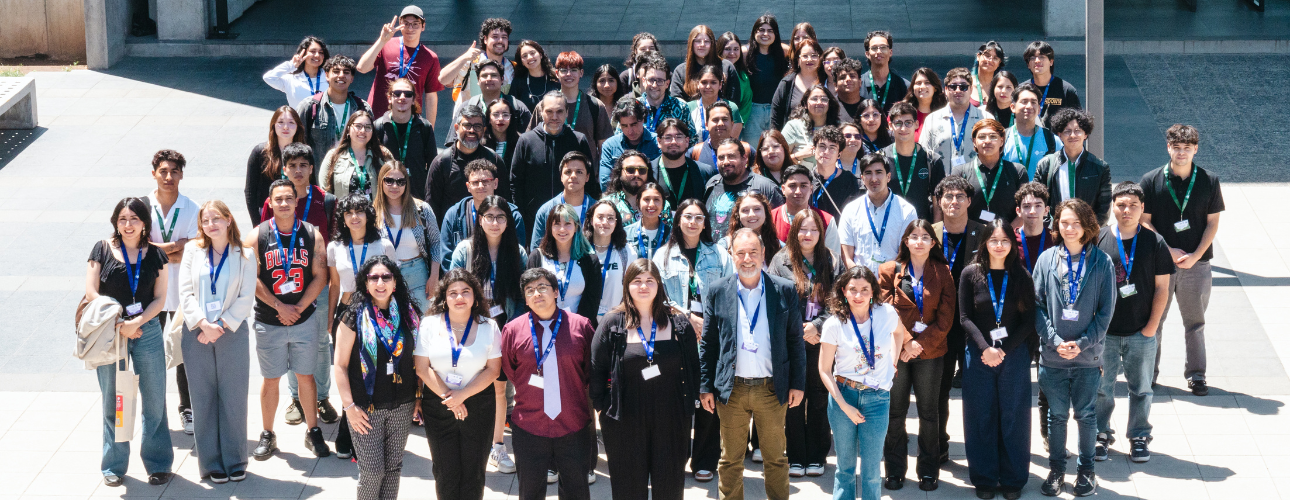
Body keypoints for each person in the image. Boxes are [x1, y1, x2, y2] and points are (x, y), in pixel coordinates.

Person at [698, 228, 807, 500]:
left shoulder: (783, 289)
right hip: (731, 390)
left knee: (776, 459)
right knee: (730, 461)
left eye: (753, 252)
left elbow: (795, 340)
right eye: (741, 253)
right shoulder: (717, 291)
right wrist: (705, 386)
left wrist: (797, 384)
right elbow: (709, 343)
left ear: (763, 254)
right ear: (732, 256)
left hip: (771, 390)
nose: (747, 259)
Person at [591, 259, 702, 500]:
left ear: (659, 285)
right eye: (637, 281)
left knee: (670, 487)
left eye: (650, 281)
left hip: (671, 418)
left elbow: (694, 367)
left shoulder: (679, 322)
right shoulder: (613, 322)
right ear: (627, 286)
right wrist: (603, 408)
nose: (643, 286)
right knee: (628, 488)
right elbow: (596, 368)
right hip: (625, 420)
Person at [86, 197, 175, 487]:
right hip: (111, 332)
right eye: (122, 219)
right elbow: (91, 292)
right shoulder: (102, 249)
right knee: (115, 399)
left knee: (154, 399)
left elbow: (160, 298)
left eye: (134, 219)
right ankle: (113, 465)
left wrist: (137, 322)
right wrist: (119, 322)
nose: (127, 225)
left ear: (144, 223)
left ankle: (158, 463)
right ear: (115, 221)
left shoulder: (155, 255)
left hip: (146, 330)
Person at [1034, 199, 1116, 498]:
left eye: (1075, 223)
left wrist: (1080, 344)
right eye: (1063, 222)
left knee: (1086, 415)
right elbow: (1037, 306)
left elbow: (1106, 313)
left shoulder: (1101, 262)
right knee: (1056, 416)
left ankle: (1086, 471)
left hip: (1087, 357)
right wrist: (1056, 341)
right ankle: (1057, 470)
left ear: (1087, 226)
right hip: (1053, 357)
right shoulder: (1046, 260)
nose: (1069, 228)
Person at [248, 180, 331, 460]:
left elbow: (322, 276)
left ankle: (313, 431)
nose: (284, 203)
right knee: (270, 378)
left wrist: (298, 307)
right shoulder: (256, 236)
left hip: (304, 319)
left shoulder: (312, 234)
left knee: (306, 377)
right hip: (268, 320)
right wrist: (278, 306)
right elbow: (251, 277)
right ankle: (268, 433)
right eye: (278, 199)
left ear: (297, 202)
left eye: (288, 199)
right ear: (269, 203)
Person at [260, 144, 341, 429]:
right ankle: (295, 398)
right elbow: (263, 238)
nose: (297, 170)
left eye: (303, 165)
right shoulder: (275, 200)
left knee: (319, 344)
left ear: (311, 169)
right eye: (292, 165)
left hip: (315, 286)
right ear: (284, 169)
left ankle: (321, 397)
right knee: (291, 342)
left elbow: (333, 243)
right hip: (283, 288)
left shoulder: (326, 200)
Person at [652, 200, 733, 481]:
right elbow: (656, 298)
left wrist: (707, 323)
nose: (693, 222)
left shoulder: (720, 254)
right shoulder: (662, 256)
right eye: (687, 217)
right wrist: (688, 318)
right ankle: (675, 457)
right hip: (675, 335)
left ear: (706, 222)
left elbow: (729, 292)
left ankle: (704, 461)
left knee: (708, 397)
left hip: (711, 336)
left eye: (699, 217)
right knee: (677, 399)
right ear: (678, 220)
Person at [1139, 124, 1223, 395]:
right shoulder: (1151, 180)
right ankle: (1148, 373)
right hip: (1161, 265)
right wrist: (1168, 250)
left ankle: (1197, 375)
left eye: (1187, 148)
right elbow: (1145, 221)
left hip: (1196, 265)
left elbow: (1213, 224)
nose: (1182, 152)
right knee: (1154, 320)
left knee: (1195, 323)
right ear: (1168, 148)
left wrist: (1196, 255)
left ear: (1196, 149)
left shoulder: (1209, 181)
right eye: (1177, 147)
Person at [176, 200, 256, 484]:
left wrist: (219, 325)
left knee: (233, 397)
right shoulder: (192, 251)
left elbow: (247, 297)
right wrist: (202, 323)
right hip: (196, 330)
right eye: (206, 220)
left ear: (228, 220)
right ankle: (211, 463)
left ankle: (235, 459)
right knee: (202, 397)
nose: (211, 225)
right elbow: (184, 292)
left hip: (230, 331)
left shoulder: (245, 254)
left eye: (216, 219)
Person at [500, 268, 597, 500]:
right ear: (525, 298)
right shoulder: (512, 330)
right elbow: (511, 371)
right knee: (530, 492)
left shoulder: (581, 326)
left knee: (577, 491)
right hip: (530, 426)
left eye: (542, 287)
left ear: (556, 292)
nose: (536, 294)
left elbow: (589, 371)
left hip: (573, 424)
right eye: (530, 290)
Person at [448, 195, 529, 474]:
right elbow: (455, 290)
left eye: (501, 217)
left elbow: (521, 296)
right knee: (468, 385)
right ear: (479, 220)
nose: (495, 223)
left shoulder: (517, 252)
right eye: (489, 217)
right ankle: (467, 444)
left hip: (504, 326)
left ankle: (497, 447)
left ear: (508, 222)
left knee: (499, 389)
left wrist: (512, 329)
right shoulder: (465, 250)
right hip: (472, 325)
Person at [1095, 182, 1174, 464]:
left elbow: (1163, 288)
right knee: (1101, 388)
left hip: (1142, 332)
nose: (1126, 210)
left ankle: (1139, 436)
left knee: (1141, 388)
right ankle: (1100, 434)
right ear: (1113, 207)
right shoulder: (1099, 238)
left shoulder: (1155, 242)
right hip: (1105, 333)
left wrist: (1151, 327)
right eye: (1121, 205)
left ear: (1142, 209)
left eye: (1133, 205)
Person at [959, 218, 1037, 500]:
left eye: (1005, 241)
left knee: (1014, 416)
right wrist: (985, 348)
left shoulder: (1021, 276)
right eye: (994, 241)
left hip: (1013, 355)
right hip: (978, 355)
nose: (999, 246)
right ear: (985, 243)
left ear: (1011, 245)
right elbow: (965, 317)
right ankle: (985, 478)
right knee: (980, 415)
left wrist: (1003, 350)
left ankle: (1013, 479)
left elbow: (1029, 320)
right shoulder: (971, 274)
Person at [334, 255, 421, 500]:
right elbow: (339, 366)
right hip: (365, 408)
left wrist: (418, 397)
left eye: (386, 277)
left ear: (395, 282)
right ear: (365, 283)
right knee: (372, 472)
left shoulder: (408, 314)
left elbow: (418, 360)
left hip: (402, 404)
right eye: (374, 277)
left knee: (393, 469)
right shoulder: (352, 317)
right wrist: (349, 407)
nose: (380, 282)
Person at [878, 220, 955, 492]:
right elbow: (886, 312)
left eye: (925, 237)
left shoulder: (943, 272)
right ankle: (895, 471)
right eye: (914, 236)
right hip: (897, 351)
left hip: (931, 352)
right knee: (895, 413)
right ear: (906, 242)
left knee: (929, 414)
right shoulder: (889, 271)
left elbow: (946, 319)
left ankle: (928, 471)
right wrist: (907, 343)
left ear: (933, 243)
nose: (920, 241)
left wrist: (919, 345)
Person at [415, 269, 504, 500]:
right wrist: (450, 398)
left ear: (475, 296)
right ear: (444, 298)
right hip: (439, 403)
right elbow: (422, 368)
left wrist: (462, 395)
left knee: (474, 472)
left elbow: (493, 370)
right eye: (453, 293)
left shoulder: (489, 326)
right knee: (445, 471)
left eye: (465, 291)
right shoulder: (429, 324)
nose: (459, 297)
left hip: (479, 405)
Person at [819, 265, 904, 500]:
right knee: (845, 468)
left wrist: (894, 361)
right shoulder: (834, 323)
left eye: (864, 290)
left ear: (873, 291)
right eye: (853, 290)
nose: (858, 296)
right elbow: (824, 370)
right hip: (844, 395)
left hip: (877, 398)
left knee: (872, 470)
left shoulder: (886, 313)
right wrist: (845, 407)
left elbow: (899, 333)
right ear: (844, 291)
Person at [769, 209, 841, 478]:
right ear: (793, 231)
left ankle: (817, 455)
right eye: (802, 229)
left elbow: (840, 299)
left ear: (821, 233)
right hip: (792, 342)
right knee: (793, 398)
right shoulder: (780, 261)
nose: (807, 235)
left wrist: (818, 326)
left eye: (813, 229)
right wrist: (799, 330)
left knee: (820, 398)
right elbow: (774, 302)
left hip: (823, 340)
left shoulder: (831, 261)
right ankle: (796, 456)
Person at [325, 194, 396, 458]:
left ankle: (365, 431)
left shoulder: (383, 245)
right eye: (348, 213)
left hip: (376, 312)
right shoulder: (335, 248)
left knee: (371, 372)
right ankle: (348, 431)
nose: (354, 217)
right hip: (346, 314)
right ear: (342, 218)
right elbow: (334, 286)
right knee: (347, 371)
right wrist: (330, 319)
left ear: (368, 215)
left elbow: (391, 284)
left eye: (359, 211)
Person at [145, 150, 200, 434]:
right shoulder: (142, 207)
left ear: (181, 174)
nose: (169, 177)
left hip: (182, 292)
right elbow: (138, 247)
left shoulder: (191, 208)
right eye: (163, 171)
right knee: (151, 354)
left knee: (182, 354)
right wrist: (175, 246)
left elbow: (193, 249)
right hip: (151, 293)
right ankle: (154, 411)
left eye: (174, 171)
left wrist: (157, 249)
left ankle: (187, 409)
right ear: (154, 172)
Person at [931, 176, 987, 448]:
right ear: (938, 201)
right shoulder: (928, 233)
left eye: (960, 197)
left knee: (976, 391)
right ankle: (939, 444)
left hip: (972, 326)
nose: (954, 202)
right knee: (938, 391)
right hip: (938, 325)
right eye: (948, 197)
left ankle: (978, 447)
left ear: (969, 201)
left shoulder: (984, 232)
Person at [512, 91, 596, 226]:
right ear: (541, 112)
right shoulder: (526, 141)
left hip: (571, 220)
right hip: (534, 220)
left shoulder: (578, 140)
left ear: (567, 112)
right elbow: (515, 183)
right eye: (549, 111)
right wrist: (522, 216)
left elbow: (590, 181)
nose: (554, 117)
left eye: (560, 111)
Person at [373, 161, 443, 311]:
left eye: (400, 182)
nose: (395, 186)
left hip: (417, 273)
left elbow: (436, 242)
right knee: (392, 327)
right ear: (381, 182)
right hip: (385, 276)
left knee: (422, 326)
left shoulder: (422, 209)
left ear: (406, 184)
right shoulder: (372, 213)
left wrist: (434, 276)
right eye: (389, 181)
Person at [356, 5, 443, 122]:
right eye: (406, 23)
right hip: (378, 118)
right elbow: (362, 68)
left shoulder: (430, 58)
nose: (410, 28)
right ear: (400, 25)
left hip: (410, 121)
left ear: (423, 26)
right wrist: (381, 40)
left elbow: (431, 96)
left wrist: (430, 131)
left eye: (415, 24)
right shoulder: (386, 44)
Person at [439, 159, 527, 267]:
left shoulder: (513, 216)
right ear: (468, 187)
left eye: (486, 181)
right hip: (465, 280)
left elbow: (517, 257)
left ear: (495, 183)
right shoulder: (454, 215)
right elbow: (447, 259)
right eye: (475, 182)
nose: (480, 186)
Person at [427, 105, 508, 221]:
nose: (472, 130)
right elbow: (432, 206)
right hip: (453, 234)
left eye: (477, 126)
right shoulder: (442, 162)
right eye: (467, 125)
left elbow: (504, 201)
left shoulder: (494, 160)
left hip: (489, 231)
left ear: (484, 130)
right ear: (456, 128)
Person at [840, 153, 919, 272]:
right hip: (860, 285)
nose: (874, 179)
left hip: (894, 283)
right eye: (868, 173)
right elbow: (846, 256)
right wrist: (862, 283)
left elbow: (908, 255)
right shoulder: (850, 210)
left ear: (888, 177)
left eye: (878, 172)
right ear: (862, 178)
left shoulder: (907, 211)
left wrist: (889, 283)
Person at [528, 204, 606, 325]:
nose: (562, 229)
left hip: (577, 327)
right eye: (557, 224)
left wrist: (576, 326)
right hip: (543, 326)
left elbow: (592, 302)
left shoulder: (590, 260)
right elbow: (530, 296)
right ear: (550, 228)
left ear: (576, 227)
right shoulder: (537, 257)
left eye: (568, 224)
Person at [1035, 108, 1111, 225]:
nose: (1072, 135)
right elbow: (1038, 202)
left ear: (1085, 134)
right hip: (1055, 233)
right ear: (1059, 135)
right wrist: (1051, 228)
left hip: (1088, 234)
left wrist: (1088, 231)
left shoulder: (1100, 167)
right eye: (1067, 131)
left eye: (1078, 130)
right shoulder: (1046, 165)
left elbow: (1104, 208)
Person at [297, 55, 374, 169]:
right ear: (327, 75)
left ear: (352, 78)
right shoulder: (309, 107)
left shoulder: (362, 108)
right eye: (336, 71)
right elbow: (298, 145)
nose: (341, 75)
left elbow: (372, 145)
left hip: (353, 174)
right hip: (319, 175)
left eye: (346, 72)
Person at [374, 77, 438, 201]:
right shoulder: (378, 126)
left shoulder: (424, 127)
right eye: (397, 94)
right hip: (386, 196)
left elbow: (432, 166)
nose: (402, 97)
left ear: (414, 100)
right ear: (389, 98)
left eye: (408, 94)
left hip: (416, 196)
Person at [953, 119, 1028, 224]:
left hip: (1007, 237)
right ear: (974, 141)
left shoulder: (1018, 171)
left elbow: (1025, 209)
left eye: (993, 137)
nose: (987, 141)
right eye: (981, 137)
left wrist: (1005, 235)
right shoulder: (960, 172)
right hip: (971, 236)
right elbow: (954, 209)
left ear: (1002, 141)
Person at [706, 138, 785, 237]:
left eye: (731, 156)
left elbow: (778, 226)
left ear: (744, 158)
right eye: (721, 157)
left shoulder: (765, 187)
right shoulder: (712, 184)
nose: (726, 162)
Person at [548, 51, 614, 165]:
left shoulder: (595, 105)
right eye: (564, 70)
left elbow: (604, 147)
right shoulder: (545, 105)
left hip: (587, 175)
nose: (569, 74)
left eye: (574, 70)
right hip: (553, 174)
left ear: (581, 73)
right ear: (557, 73)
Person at [447, 60, 534, 145]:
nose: (489, 79)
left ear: (502, 79)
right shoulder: (466, 107)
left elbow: (532, 139)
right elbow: (453, 141)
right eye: (484, 76)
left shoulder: (517, 106)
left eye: (494, 75)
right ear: (478, 80)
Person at [883, 101, 945, 221]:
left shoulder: (932, 160)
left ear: (916, 124)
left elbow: (938, 204)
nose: (903, 128)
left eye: (908, 123)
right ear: (890, 125)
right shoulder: (881, 158)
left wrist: (936, 235)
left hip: (921, 230)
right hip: (889, 227)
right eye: (898, 123)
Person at [245, 106, 308, 225]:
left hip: (298, 213)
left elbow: (311, 185)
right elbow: (250, 192)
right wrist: (257, 223)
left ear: (298, 127)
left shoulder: (305, 152)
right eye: (280, 122)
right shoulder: (260, 152)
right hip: (268, 215)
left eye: (291, 123)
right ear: (273, 125)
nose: (285, 127)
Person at [920, 67, 990, 173]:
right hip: (941, 185)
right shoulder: (932, 120)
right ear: (946, 90)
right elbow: (924, 155)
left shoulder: (986, 119)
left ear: (971, 89)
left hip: (976, 185)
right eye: (953, 87)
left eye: (963, 87)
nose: (958, 90)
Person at [320, 110, 395, 200]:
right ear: (348, 129)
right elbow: (324, 193)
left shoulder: (383, 155)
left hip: (375, 213)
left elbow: (395, 183)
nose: (363, 131)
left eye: (368, 127)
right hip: (344, 213)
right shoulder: (333, 156)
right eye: (358, 126)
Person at [530, 151, 597, 250]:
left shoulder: (598, 209)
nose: (573, 176)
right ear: (561, 177)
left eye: (579, 172)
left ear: (587, 177)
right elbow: (536, 252)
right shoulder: (546, 210)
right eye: (568, 172)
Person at [586, 200, 640, 322]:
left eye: (610, 218)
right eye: (600, 217)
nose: (605, 222)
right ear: (590, 219)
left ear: (616, 223)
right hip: (584, 320)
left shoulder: (627, 251)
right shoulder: (581, 250)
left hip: (615, 321)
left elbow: (632, 290)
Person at [741, 14, 791, 143]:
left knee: (776, 147)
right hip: (753, 111)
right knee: (753, 150)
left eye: (770, 31)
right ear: (754, 32)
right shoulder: (745, 53)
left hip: (776, 109)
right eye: (761, 30)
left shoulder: (784, 52)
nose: (765, 34)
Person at [440, 18, 514, 104]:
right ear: (485, 39)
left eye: (504, 37)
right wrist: (464, 58)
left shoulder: (512, 67)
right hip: (468, 116)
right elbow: (443, 79)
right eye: (495, 37)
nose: (500, 41)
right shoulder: (471, 63)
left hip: (498, 116)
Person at [771, 165, 839, 250]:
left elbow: (833, 260)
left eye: (803, 186)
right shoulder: (770, 218)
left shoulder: (826, 221)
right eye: (792, 186)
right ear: (783, 189)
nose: (798, 191)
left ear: (811, 189)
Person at [1001, 82, 1061, 179]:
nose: (1029, 106)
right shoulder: (1002, 139)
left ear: (1038, 109)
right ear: (1012, 107)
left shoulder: (1052, 140)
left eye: (1033, 102)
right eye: (1024, 101)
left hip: (1041, 194)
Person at [599, 99, 662, 190]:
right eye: (624, 126)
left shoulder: (657, 143)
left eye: (633, 124)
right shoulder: (610, 146)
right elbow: (605, 183)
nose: (630, 131)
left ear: (643, 120)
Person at [651, 119, 714, 207]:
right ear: (659, 142)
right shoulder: (648, 171)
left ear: (687, 141)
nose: (673, 142)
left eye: (679, 137)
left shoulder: (705, 172)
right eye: (668, 137)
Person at [781, 84, 845, 170]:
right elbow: (778, 159)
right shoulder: (793, 127)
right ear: (805, 104)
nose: (819, 102)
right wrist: (799, 155)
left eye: (824, 99)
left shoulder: (839, 128)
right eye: (814, 99)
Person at [672, 25, 742, 102]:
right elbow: (676, 99)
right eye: (698, 41)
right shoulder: (680, 71)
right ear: (691, 43)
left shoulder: (727, 67)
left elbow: (734, 100)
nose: (702, 44)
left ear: (712, 44)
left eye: (706, 41)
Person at [770, 39, 829, 131]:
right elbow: (776, 117)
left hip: (825, 138)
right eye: (805, 56)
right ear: (798, 59)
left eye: (814, 56)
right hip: (794, 138)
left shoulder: (827, 81)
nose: (809, 59)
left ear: (820, 58)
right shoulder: (787, 83)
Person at [1022, 41, 1081, 130]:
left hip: (1058, 143)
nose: (1037, 61)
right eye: (1033, 58)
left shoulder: (1066, 90)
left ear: (1051, 62)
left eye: (1042, 57)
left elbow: (1079, 123)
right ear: (1028, 64)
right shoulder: (1022, 90)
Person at [636, 54, 696, 141]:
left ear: (667, 84)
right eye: (651, 80)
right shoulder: (633, 107)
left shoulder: (681, 107)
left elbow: (692, 139)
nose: (655, 85)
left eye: (660, 81)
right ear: (644, 81)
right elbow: (619, 139)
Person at [806, 125, 861, 218]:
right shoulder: (805, 179)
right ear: (814, 149)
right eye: (822, 146)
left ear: (839, 155)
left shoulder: (852, 182)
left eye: (832, 148)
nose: (826, 152)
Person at [264, 36, 331, 108]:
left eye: (321, 52)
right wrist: (291, 65)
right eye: (313, 51)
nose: (317, 55)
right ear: (303, 53)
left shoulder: (330, 78)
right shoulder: (291, 79)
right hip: (298, 119)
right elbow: (268, 77)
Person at [718, 192, 783, 265]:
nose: (751, 214)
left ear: (766, 213)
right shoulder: (725, 246)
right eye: (745, 210)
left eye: (757, 209)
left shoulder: (779, 246)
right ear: (738, 215)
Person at [605, 150, 666, 227]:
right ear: (619, 173)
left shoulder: (662, 205)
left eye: (642, 170)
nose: (637, 174)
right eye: (630, 170)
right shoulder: (606, 205)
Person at [687, 66, 744, 142]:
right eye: (704, 82)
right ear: (698, 84)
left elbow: (732, 142)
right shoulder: (687, 107)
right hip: (694, 152)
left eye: (713, 82)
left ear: (720, 85)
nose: (708, 86)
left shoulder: (731, 108)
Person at [858, 31, 909, 114]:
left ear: (890, 52)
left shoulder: (904, 86)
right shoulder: (858, 85)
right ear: (867, 54)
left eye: (883, 47)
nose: (879, 51)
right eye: (874, 48)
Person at [688, 100, 748, 167]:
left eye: (725, 119)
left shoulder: (746, 150)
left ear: (732, 124)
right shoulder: (694, 153)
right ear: (706, 125)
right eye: (715, 120)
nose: (720, 124)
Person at [1015, 182, 1056, 273]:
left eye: (1038, 206)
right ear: (1018, 211)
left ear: (1046, 210)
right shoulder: (1009, 240)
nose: (1032, 211)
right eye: (1027, 206)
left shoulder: (1056, 240)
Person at [623, 183, 672, 261]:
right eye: (646, 199)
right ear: (638, 202)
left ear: (663, 204)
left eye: (656, 199)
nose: (651, 204)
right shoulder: (625, 234)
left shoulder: (672, 235)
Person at [510, 40, 560, 111]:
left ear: (541, 55)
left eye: (532, 53)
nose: (529, 57)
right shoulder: (518, 83)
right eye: (524, 56)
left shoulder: (555, 79)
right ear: (522, 62)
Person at [717, 31, 753, 125]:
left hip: (736, 125)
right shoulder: (712, 72)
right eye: (728, 49)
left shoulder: (743, 75)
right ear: (720, 50)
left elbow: (746, 102)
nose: (732, 53)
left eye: (736, 49)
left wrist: (738, 124)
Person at [900, 68, 945, 138]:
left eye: (927, 83)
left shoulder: (945, 113)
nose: (922, 86)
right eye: (918, 83)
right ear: (913, 87)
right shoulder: (900, 110)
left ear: (935, 88)